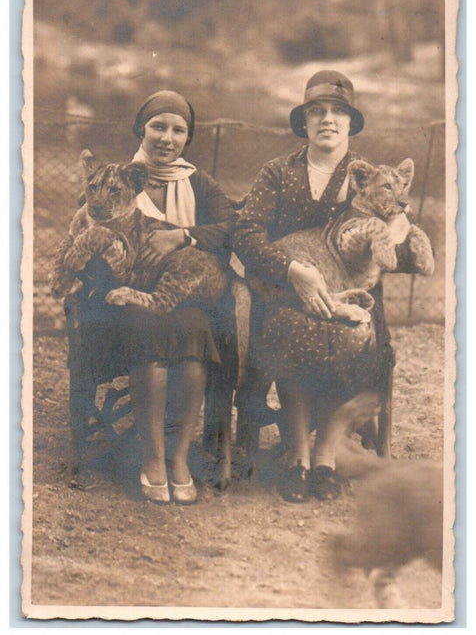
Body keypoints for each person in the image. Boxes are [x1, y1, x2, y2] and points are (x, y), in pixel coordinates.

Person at [234, 70, 405, 503]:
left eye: (338, 112)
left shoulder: (369, 175)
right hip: (287, 289)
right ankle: (297, 454)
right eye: (316, 111)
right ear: (304, 122)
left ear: (350, 122)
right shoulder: (277, 172)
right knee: (295, 328)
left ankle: (326, 453)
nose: (327, 119)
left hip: (353, 291)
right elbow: (246, 234)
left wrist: (398, 230)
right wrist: (293, 269)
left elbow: (397, 226)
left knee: (353, 336)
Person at [83, 90, 236, 505]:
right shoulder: (114, 175)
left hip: (183, 296)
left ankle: (179, 457)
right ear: (142, 129)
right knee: (146, 322)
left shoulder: (198, 182)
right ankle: (152, 458)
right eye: (158, 126)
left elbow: (229, 228)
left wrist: (181, 236)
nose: (167, 138)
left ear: (188, 138)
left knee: (194, 330)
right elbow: (86, 229)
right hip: (124, 294)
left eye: (178, 130)